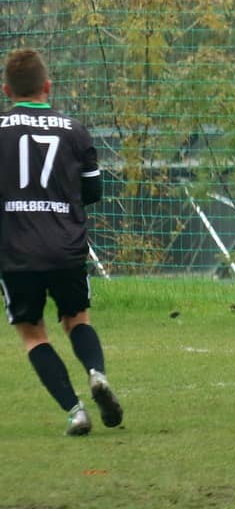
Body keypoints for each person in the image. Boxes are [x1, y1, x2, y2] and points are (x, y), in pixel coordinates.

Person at [0, 49, 123, 435]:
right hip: (66, 246)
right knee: (77, 319)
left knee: (33, 333)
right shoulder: (74, 130)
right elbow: (93, 192)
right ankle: (97, 374)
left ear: (6, 90)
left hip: (15, 251)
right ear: (47, 86)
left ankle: (76, 411)